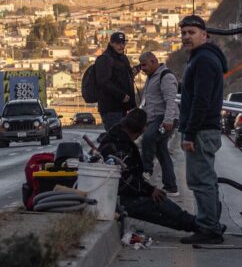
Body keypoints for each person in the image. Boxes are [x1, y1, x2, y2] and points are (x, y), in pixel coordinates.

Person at [96, 108, 201, 235]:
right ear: (138, 130)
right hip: (119, 199)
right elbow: (125, 181)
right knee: (159, 206)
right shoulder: (120, 148)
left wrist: (148, 189)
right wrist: (149, 190)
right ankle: (196, 225)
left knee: (162, 203)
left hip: (119, 195)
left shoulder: (117, 139)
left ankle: (194, 224)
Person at [178, 14, 228, 245]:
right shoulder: (200, 58)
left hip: (201, 130)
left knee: (200, 180)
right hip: (203, 129)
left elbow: (201, 100)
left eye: (192, 33)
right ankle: (211, 223)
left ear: (205, 35)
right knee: (204, 178)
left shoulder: (204, 61)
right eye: (184, 33)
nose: (186, 37)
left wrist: (189, 133)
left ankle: (209, 228)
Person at [138, 50, 180, 196]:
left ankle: (146, 171)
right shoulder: (151, 78)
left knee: (148, 138)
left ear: (154, 61)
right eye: (141, 66)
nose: (142, 68)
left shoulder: (165, 76)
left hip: (164, 119)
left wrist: (168, 120)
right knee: (162, 152)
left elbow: (171, 100)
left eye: (144, 65)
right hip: (155, 119)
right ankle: (171, 186)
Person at [94, 31, 137, 131]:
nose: (121, 46)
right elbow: (103, 82)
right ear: (111, 43)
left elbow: (121, 78)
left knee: (121, 138)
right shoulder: (105, 59)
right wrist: (121, 95)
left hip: (122, 108)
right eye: (118, 43)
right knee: (116, 136)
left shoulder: (122, 58)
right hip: (111, 108)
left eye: (123, 43)